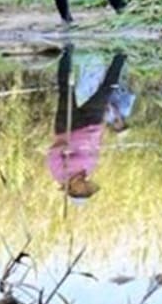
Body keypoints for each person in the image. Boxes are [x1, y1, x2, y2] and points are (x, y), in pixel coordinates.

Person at [47, 46, 128, 201]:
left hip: (68, 128)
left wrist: (63, 148)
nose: (85, 186)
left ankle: (66, 54)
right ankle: (120, 57)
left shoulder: (60, 173)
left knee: (66, 90)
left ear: (73, 190)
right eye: (87, 189)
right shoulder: (88, 169)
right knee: (105, 93)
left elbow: (52, 155)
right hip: (91, 126)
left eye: (83, 190)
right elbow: (94, 149)